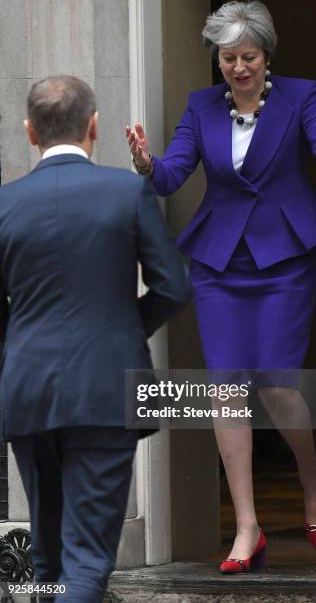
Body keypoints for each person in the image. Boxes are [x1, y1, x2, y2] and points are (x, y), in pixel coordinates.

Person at [126, 0, 316, 573]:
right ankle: (247, 526)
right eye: (228, 58)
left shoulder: (301, 95)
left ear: (266, 54)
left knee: (277, 388)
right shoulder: (200, 105)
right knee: (227, 390)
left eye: (248, 56)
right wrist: (148, 164)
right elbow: (177, 170)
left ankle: (311, 476)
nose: (238, 67)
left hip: (284, 258)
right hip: (220, 265)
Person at [0, 75, 190, 602]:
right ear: (95, 126)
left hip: (28, 391)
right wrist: (126, 327)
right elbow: (173, 287)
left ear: (30, 133)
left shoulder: (4, 204)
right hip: (106, 391)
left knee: (49, 560)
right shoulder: (127, 191)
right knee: (85, 564)